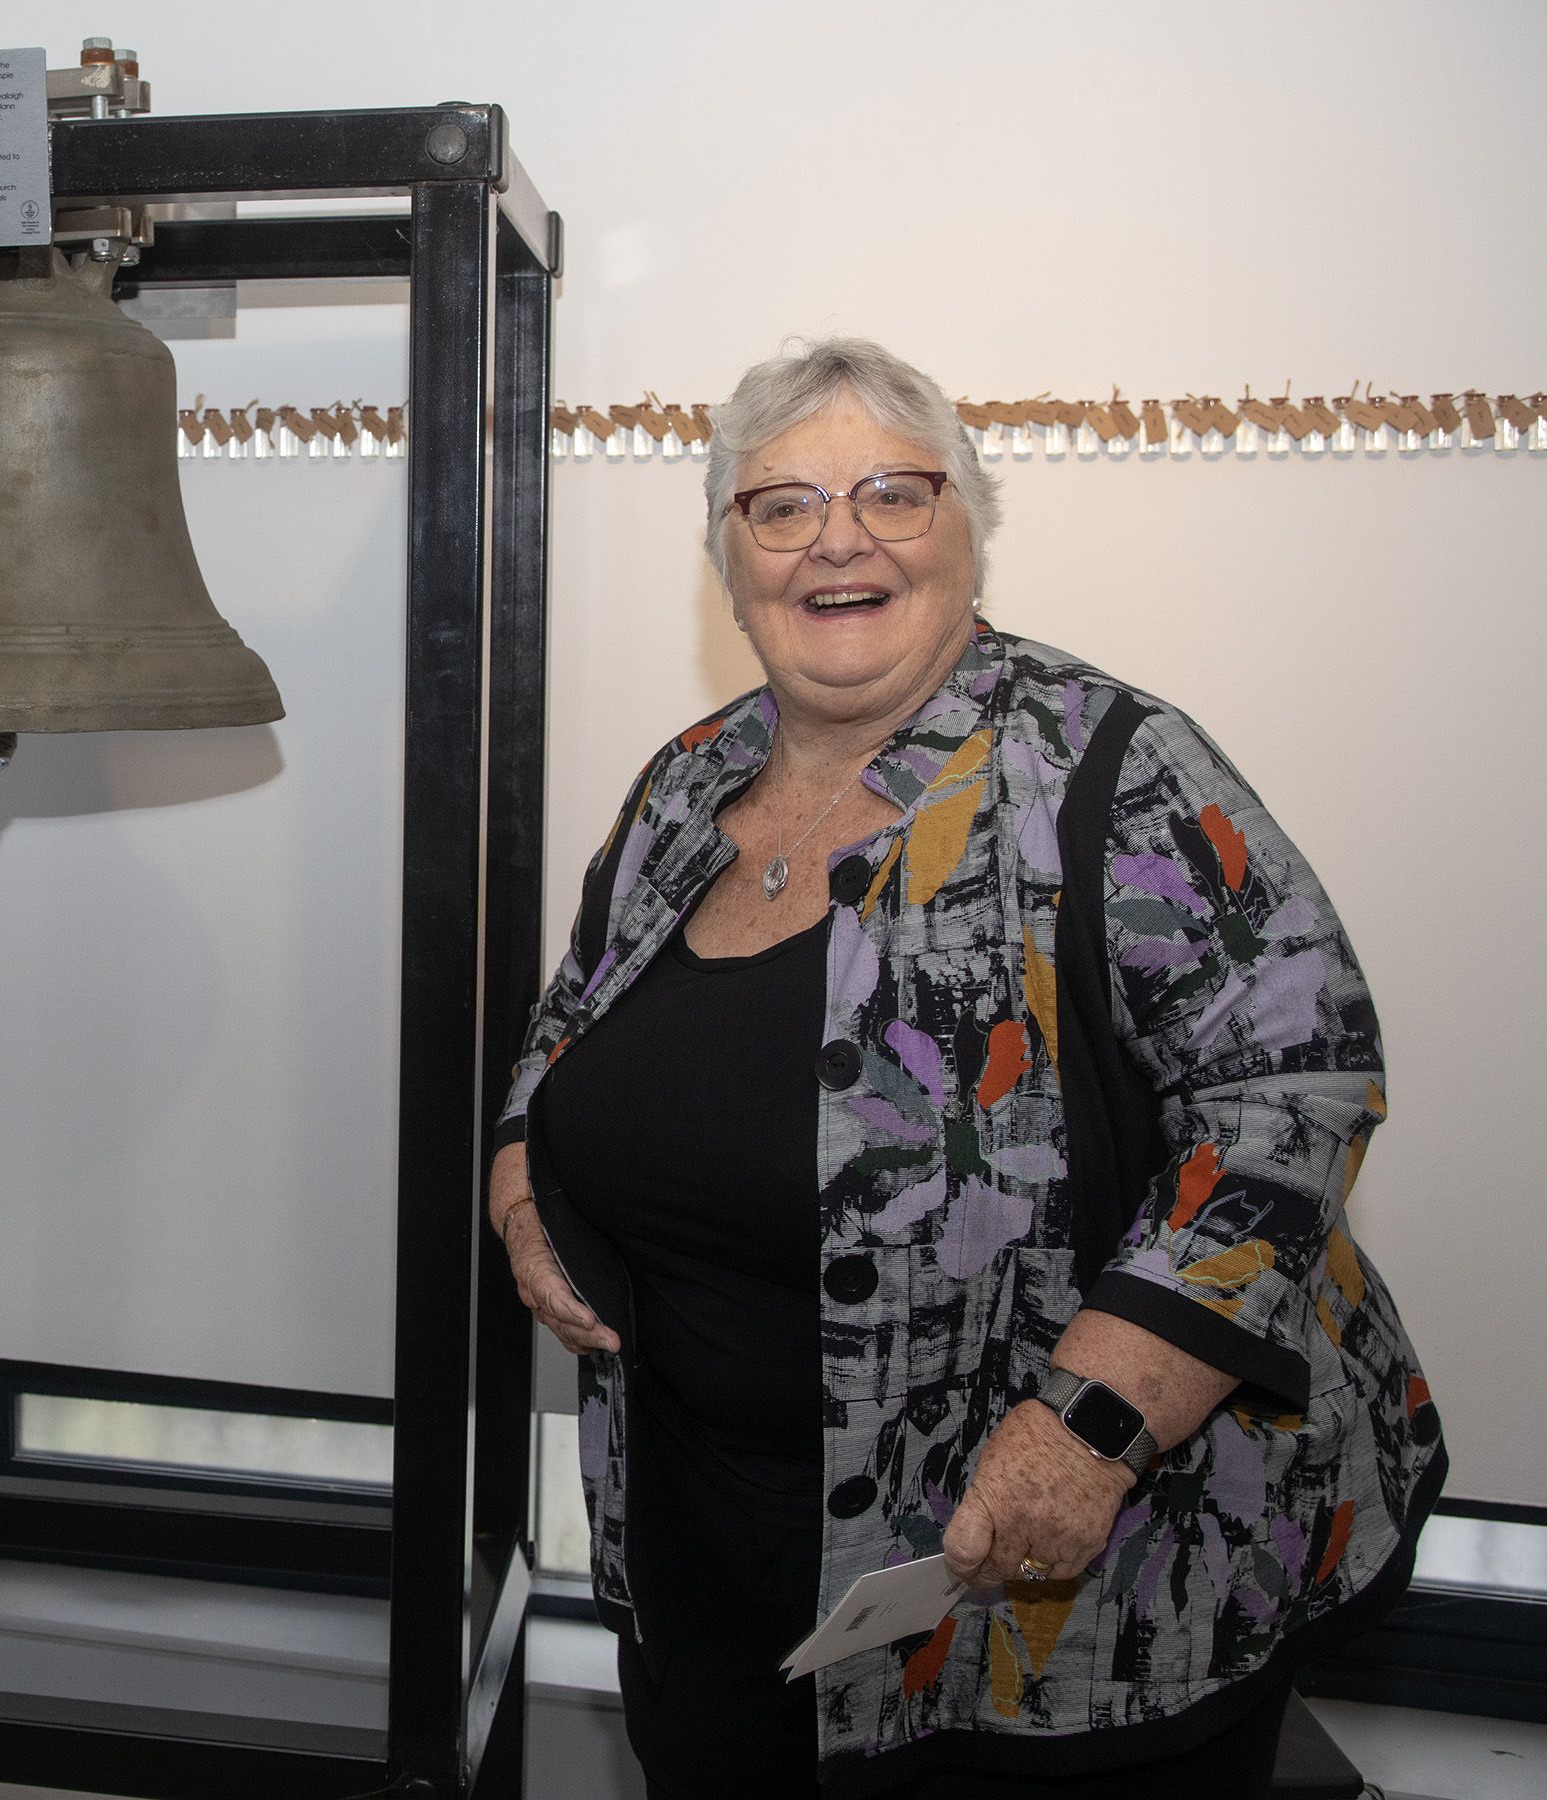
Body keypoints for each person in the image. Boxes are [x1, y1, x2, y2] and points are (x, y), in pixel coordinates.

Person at [486, 339, 1442, 1798]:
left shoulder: (1112, 767)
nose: (839, 541)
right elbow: (574, 1018)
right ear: (730, 560)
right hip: (712, 1576)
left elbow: (1294, 1088)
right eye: (782, 507)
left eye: (893, 492)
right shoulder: (689, 778)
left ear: (967, 526)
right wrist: (516, 1177)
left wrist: (1093, 1427)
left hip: (1063, 1593)